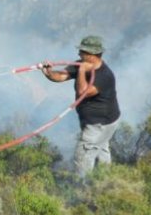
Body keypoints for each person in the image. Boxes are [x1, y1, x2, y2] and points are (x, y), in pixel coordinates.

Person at [41, 36, 120, 178]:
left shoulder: (105, 76)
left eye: (82, 52)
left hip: (99, 125)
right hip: (103, 123)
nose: (79, 54)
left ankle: (84, 188)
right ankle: (106, 182)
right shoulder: (80, 64)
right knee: (100, 150)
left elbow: (83, 92)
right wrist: (49, 72)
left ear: (92, 55)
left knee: (82, 156)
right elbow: (61, 76)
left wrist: (82, 70)